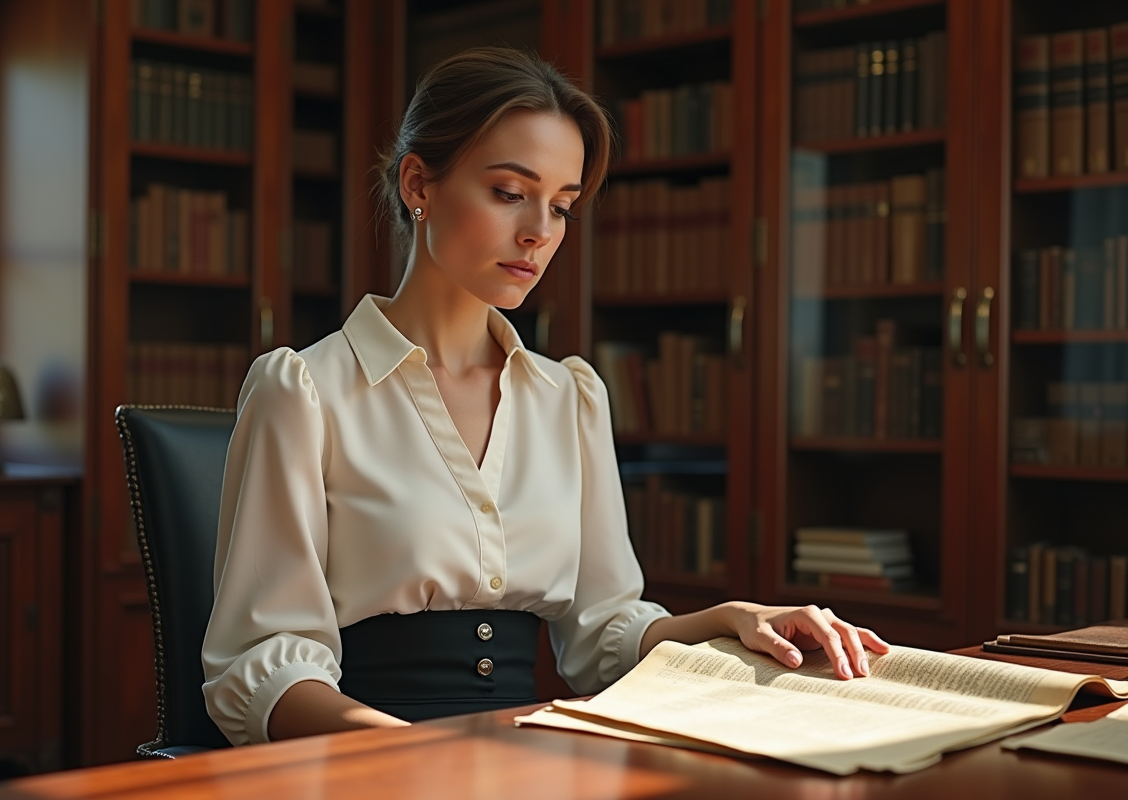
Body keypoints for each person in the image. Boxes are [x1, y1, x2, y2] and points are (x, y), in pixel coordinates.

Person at [202, 46, 890, 747]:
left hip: (526, 758)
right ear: (420, 184)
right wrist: (408, 757)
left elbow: (603, 636)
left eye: (561, 206)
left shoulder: (570, 398)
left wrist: (729, 619)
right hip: (369, 766)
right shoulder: (305, 391)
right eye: (508, 192)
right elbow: (259, 666)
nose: (539, 231)